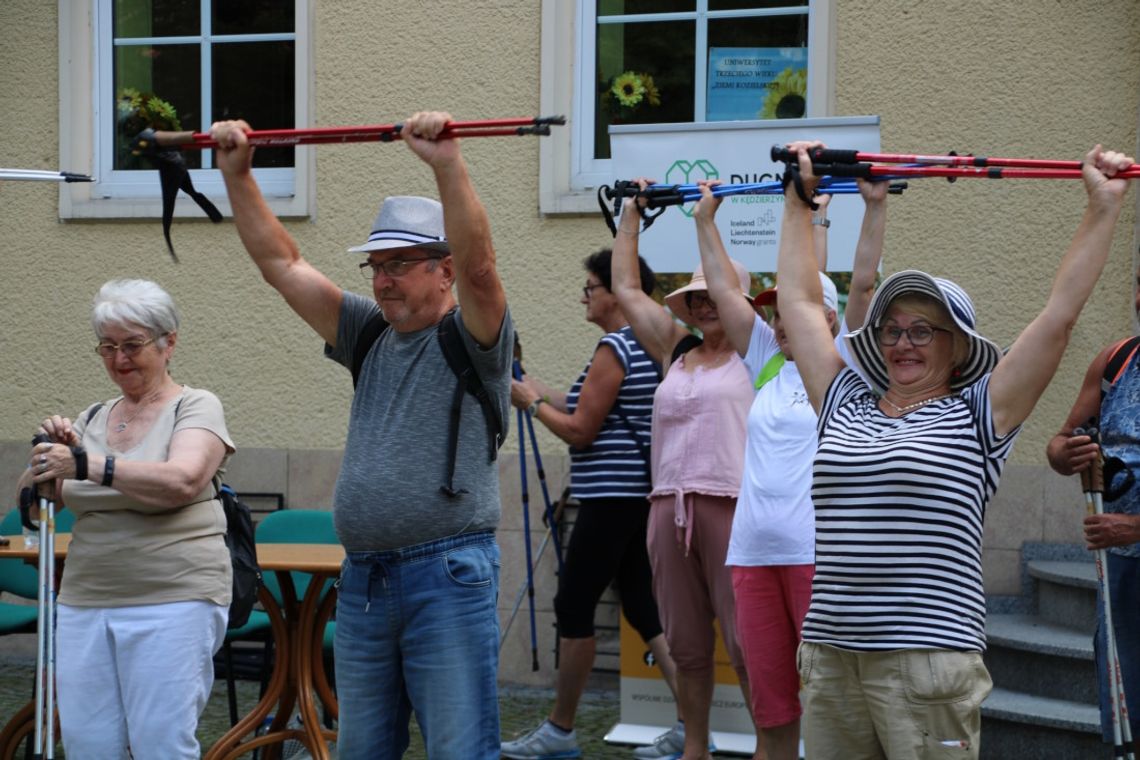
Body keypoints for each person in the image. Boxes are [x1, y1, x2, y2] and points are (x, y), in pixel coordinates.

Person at [773, 140, 1134, 760]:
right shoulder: (843, 401)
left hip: (927, 660)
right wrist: (797, 204)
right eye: (892, 329)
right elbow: (803, 304)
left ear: (958, 347)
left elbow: (1058, 317)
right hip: (831, 653)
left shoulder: (977, 414)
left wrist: (1101, 208)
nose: (903, 343)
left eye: (924, 330)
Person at [210, 111, 512, 759]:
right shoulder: (368, 331)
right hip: (366, 582)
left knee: (462, 751)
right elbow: (282, 264)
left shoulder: (476, 337)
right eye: (376, 264)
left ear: (443, 271)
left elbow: (484, 267)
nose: (381, 279)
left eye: (399, 264)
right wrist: (238, 177)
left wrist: (447, 162)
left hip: (447, 580)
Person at [693, 178, 886, 760]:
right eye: (773, 314)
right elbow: (727, 293)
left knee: (828, 706)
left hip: (815, 558)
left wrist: (872, 208)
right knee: (771, 709)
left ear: (826, 319)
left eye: (791, 312)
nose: (779, 323)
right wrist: (705, 221)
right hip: (752, 554)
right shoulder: (767, 365)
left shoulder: (848, 366)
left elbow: (864, 287)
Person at [17, 279, 234, 759]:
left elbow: (181, 481)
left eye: (133, 345)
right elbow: (33, 508)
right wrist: (43, 455)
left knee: (161, 744)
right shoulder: (91, 418)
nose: (120, 359)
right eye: (108, 347)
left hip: (174, 596)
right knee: (88, 744)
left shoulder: (195, 406)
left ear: (168, 341)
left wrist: (85, 465)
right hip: (86, 599)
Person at [502, 249, 681, 760]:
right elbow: (585, 406)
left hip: (610, 498)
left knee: (573, 605)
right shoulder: (652, 344)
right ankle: (694, 725)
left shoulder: (615, 348)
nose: (583, 295)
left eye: (590, 286)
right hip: (639, 496)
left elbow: (581, 430)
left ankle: (559, 732)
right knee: (646, 610)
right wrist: (534, 388)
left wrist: (532, 406)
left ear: (615, 292)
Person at [610, 191, 757, 760]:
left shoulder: (759, 355)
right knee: (688, 646)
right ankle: (696, 747)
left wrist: (704, 221)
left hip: (735, 508)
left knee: (749, 645)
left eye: (712, 294)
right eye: (694, 297)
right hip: (667, 510)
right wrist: (629, 218)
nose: (701, 305)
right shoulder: (676, 348)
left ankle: (771, 748)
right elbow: (626, 290)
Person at [1045, 268, 1140, 746]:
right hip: (1120, 570)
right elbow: (1061, 441)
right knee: (1127, 709)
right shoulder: (1117, 361)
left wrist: (1137, 527)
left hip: (1127, 543)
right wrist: (1067, 453)